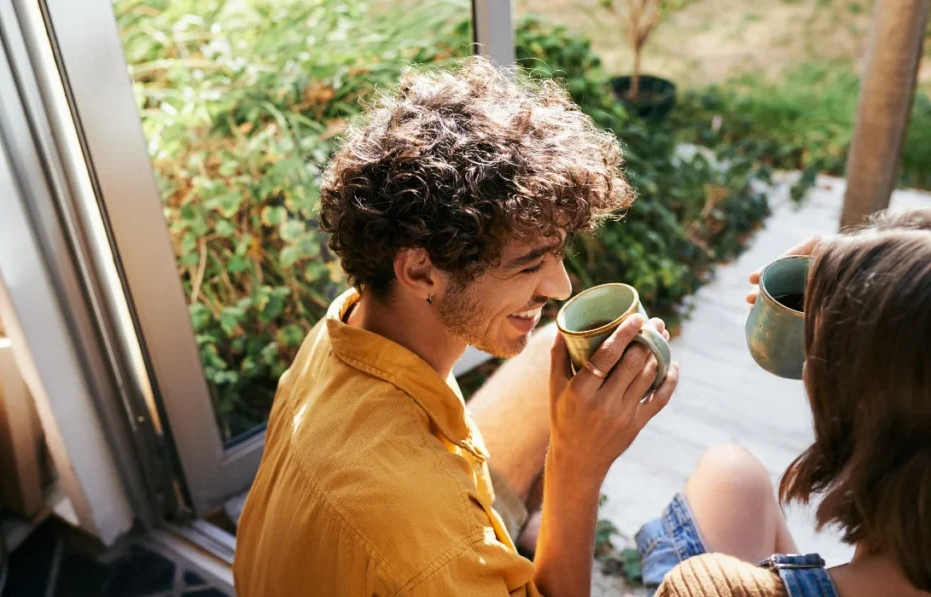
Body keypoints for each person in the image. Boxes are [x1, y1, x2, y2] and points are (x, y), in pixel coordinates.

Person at [233, 56, 680, 597]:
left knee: (548, 354)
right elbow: (422, 538)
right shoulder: (423, 535)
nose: (560, 286)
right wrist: (577, 467)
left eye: (558, 254)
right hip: (415, 540)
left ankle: (526, 537)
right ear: (420, 268)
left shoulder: (348, 325)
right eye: (529, 263)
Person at [636, 208, 931, 597]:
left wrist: (575, 469)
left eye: (824, 355)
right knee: (734, 477)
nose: (810, 370)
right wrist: (886, 268)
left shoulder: (709, 589)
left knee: (727, 473)